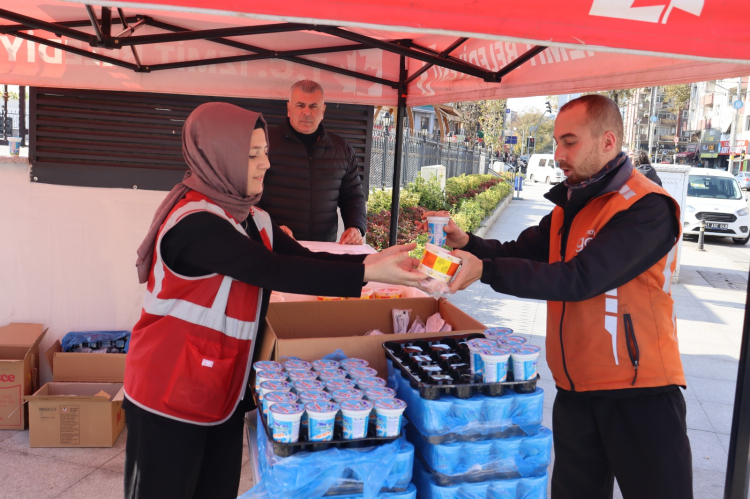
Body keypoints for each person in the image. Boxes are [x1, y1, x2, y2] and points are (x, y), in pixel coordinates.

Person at [124, 102, 423, 499]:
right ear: (219, 157)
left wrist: (370, 260)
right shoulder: (195, 223)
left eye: (265, 151)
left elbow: (303, 257)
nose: (265, 164)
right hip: (169, 390)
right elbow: (272, 269)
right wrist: (366, 274)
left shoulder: (252, 218)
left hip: (223, 388)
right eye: (251, 155)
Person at [421, 95, 692, 499]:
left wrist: (487, 271)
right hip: (576, 390)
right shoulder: (571, 205)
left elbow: (580, 279)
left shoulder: (646, 207)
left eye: (570, 142)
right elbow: (521, 249)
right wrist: (471, 245)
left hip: (639, 393)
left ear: (607, 141)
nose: (558, 153)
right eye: (555, 141)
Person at [258, 80, 366, 244]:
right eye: (300, 105)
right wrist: (269, 228)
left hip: (323, 250)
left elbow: (353, 196)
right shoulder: (264, 143)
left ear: (323, 110)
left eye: (313, 106)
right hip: (276, 245)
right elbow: (248, 196)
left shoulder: (342, 149)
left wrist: (356, 227)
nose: (306, 112)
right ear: (289, 109)